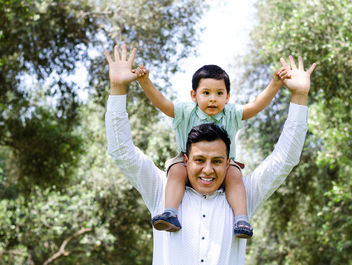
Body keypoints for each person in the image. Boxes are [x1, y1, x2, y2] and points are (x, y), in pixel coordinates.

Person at [105, 44, 316, 264]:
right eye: (199, 160)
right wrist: (117, 89)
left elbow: (285, 158)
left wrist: (299, 96)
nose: (208, 169)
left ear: (228, 162)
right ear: (186, 159)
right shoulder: (162, 189)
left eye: (216, 161)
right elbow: (121, 151)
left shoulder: (242, 195)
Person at [131, 51, 291, 238]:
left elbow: (256, 106)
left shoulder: (231, 113)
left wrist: (275, 84)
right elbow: (161, 103)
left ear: (227, 97)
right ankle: (170, 213)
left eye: (219, 93)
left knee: (234, 175)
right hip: (186, 161)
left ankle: (241, 220)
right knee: (176, 171)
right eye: (206, 93)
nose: (213, 98)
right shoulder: (185, 111)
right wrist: (145, 82)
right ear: (194, 95)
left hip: (223, 165)